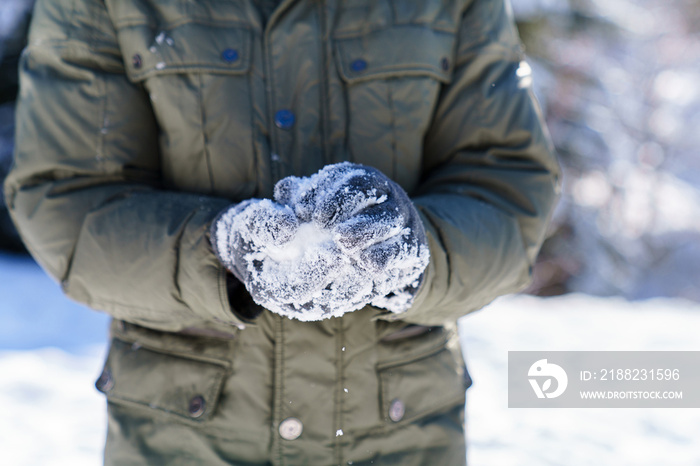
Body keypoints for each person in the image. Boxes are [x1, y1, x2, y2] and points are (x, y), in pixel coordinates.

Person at [5, 0, 560, 464]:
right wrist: (220, 248)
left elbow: (507, 184)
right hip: (182, 441)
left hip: (400, 438)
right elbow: (66, 199)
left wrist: (418, 251)